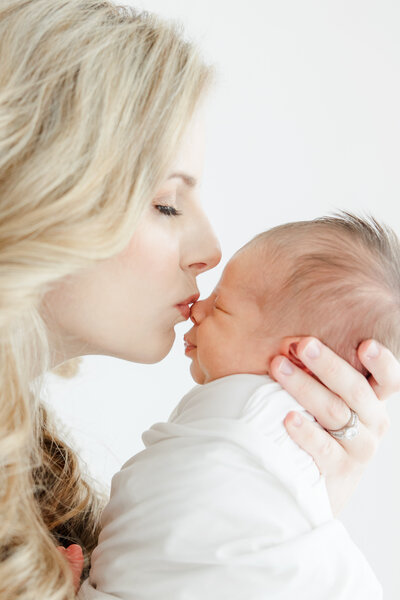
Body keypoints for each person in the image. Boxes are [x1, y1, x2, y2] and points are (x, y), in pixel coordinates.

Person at [0, 2, 397, 599]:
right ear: (37, 190)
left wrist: (276, 525)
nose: (211, 250)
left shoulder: (43, 482)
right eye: (166, 203)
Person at [76, 212, 395, 599]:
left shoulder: (275, 429)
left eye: (221, 307)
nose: (197, 309)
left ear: (297, 358)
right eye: (166, 206)